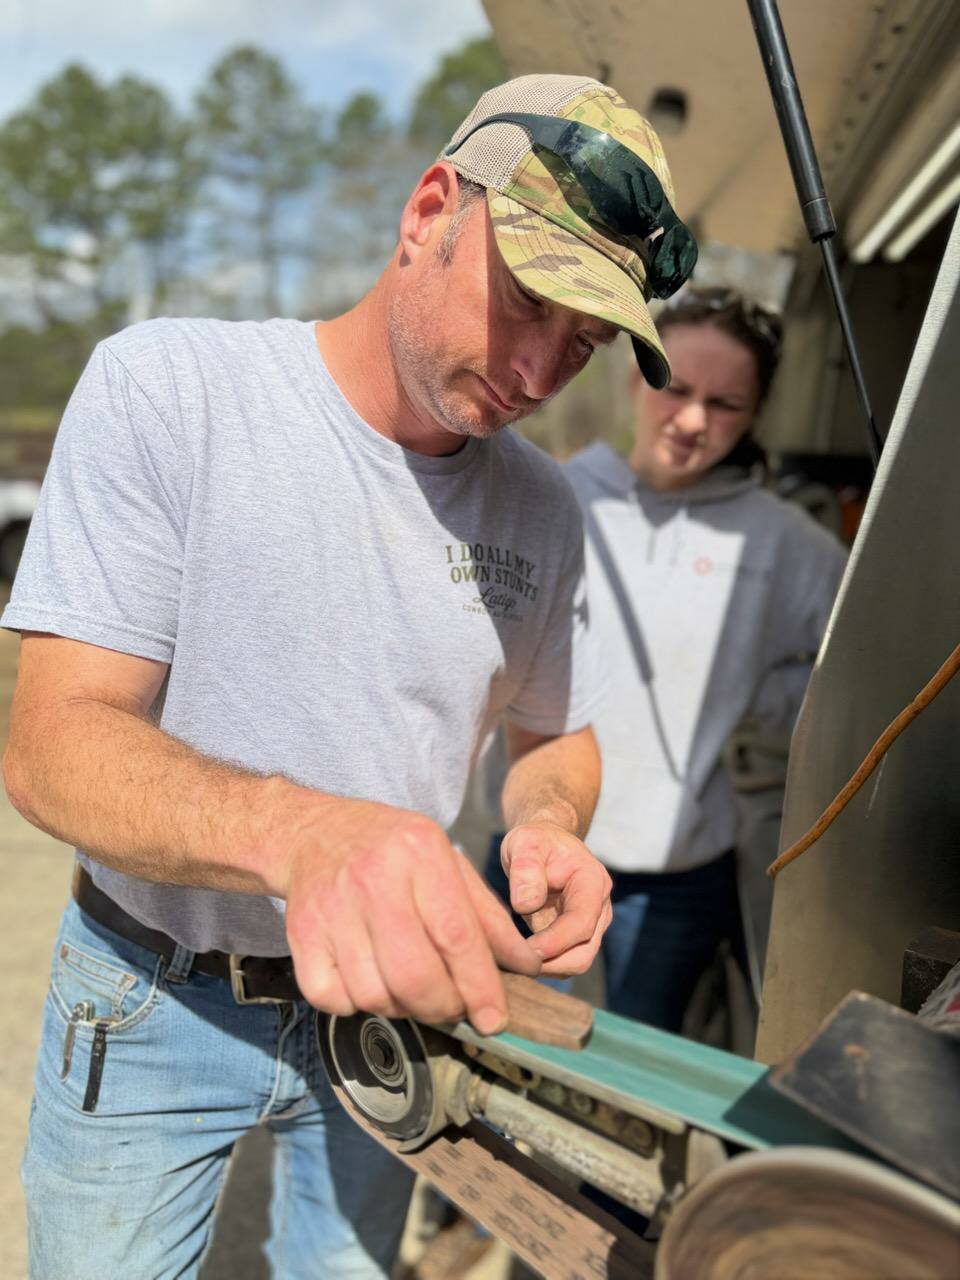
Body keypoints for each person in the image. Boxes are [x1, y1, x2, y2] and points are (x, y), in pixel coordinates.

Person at [1, 74, 697, 1279]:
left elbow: (554, 731)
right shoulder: (173, 390)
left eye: (580, 344)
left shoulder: (541, 506)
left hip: (390, 1011)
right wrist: (303, 833)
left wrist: (547, 823)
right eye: (528, 299)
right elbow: (52, 742)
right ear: (430, 209)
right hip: (151, 989)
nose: (538, 371)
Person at [486, 286, 848, 1033]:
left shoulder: (784, 543)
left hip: (680, 873)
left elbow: (853, 670)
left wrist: (764, 703)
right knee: (508, 1042)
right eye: (675, 388)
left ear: (756, 415)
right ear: (634, 377)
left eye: (725, 404)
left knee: (635, 1072)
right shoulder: (547, 495)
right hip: (538, 845)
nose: (691, 421)